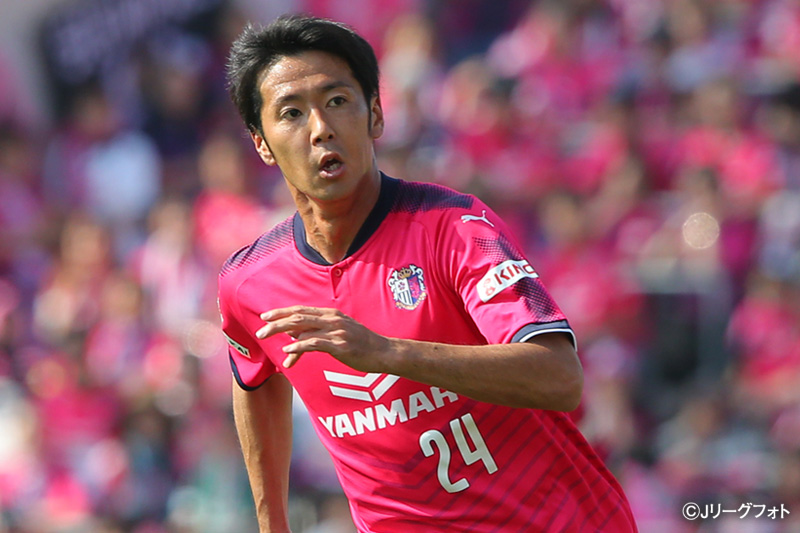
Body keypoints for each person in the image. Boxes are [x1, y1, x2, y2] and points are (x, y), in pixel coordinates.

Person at [219, 14, 637, 532]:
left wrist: (387, 354)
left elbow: (560, 377)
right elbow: (254, 378)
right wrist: (272, 523)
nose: (321, 128)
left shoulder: (455, 227)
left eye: (338, 101)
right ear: (261, 143)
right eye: (291, 113)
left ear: (375, 115)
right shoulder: (249, 282)